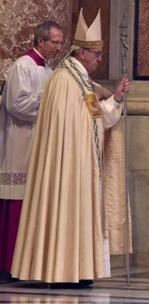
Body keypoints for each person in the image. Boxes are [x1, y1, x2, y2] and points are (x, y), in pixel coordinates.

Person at [10, 9, 130, 286]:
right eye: (97, 55)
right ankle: (63, 271)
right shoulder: (65, 80)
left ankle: (77, 270)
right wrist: (105, 109)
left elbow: (94, 117)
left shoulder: (79, 80)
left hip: (80, 162)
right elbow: (81, 122)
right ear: (83, 53)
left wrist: (116, 99)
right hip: (67, 165)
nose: (100, 60)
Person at [0, 20, 64, 280]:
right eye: (55, 42)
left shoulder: (48, 69)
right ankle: (8, 264)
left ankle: (27, 264)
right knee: (17, 202)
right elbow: (16, 104)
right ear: (40, 41)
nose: (59, 47)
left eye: (61, 43)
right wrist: (47, 101)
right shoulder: (22, 66)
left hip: (38, 142)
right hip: (20, 143)